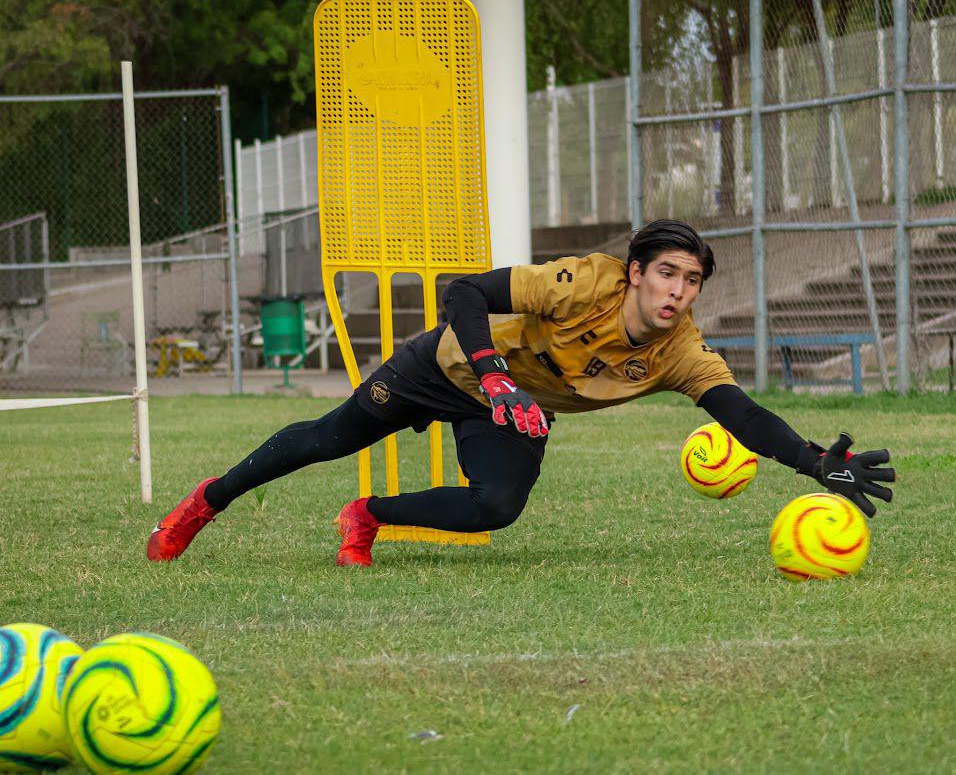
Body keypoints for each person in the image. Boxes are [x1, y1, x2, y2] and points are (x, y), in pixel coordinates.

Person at [147, 219, 895, 567]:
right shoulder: (584, 280)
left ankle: (366, 515)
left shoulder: (680, 350)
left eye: (692, 280)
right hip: (448, 367)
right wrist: (495, 374)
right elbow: (463, 290)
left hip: (514, 409)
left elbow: (741, 413)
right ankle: (203, 504)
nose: (678, 290)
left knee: (495, 507)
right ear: (636, 271)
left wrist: (810, 462)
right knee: (326, 439)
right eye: (667, 272)